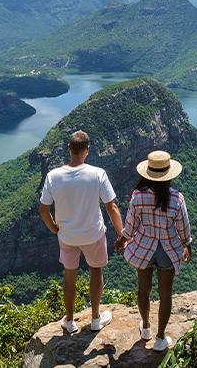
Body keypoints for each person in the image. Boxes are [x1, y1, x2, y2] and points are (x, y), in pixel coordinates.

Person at [39, 130, 124, 334]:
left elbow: (43, 210)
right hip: (93, 235)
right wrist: (122, 235)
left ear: (69, 149)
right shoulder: (97, 173)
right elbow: (111, 207)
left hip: (67, 236)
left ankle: (69, 321)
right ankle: (95, 319)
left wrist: (54, 229)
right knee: (96, 271)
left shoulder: (53, 176)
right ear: (87, 150)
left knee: (70, 277)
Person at [115, 150, 192, 351]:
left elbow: (130, 228)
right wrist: (187, 245)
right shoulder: (177, 198)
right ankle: (160, 338)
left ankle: (146, 327)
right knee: (165, 294)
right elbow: (183, 228)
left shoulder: (138, 197)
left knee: (143, 290)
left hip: (143, 248)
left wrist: (121, 241)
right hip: (168, 250)